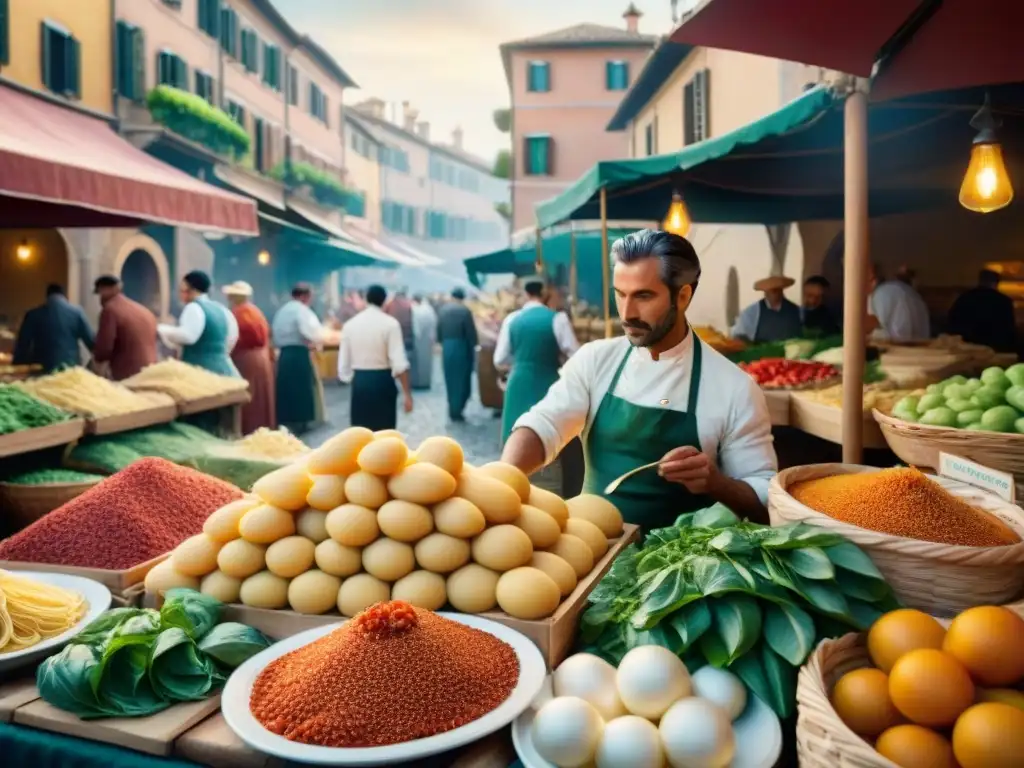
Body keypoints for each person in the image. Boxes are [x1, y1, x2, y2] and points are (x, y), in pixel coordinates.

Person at [501, 229, 777, 529]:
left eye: (643, 296)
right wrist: (500, 480)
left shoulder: (734, 388)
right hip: (594, 553)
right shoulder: (595, 360)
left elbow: (766, 499)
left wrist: (717, 483)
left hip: (680, 566)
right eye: (620, 294)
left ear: (682, 296)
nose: (628, 313)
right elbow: (544, 425)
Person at [495, 279, 579, 442]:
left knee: (516, 434)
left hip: (518, 382)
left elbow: (499, 359)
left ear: (526, 294)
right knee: (547, 435)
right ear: (544, 294)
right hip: (548, 380)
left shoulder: (512, 319)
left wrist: (520, 361)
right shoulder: (558, 318)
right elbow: (574, 354)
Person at [337, 284, 414, 431]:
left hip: (360, 382)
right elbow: (399, 363)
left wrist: (351, 378)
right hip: (383, 381)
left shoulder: (350, 325)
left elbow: (343, 366)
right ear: (384, 301)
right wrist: (407, 395)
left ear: (366, 299)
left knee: (360, 434)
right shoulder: (390, 324)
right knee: (384, 433)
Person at [157, 271, 239, 377]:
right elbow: (232, 337)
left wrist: (161, 329)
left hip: (199, 370)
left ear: (189, 289)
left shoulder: (193, 307)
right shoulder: (221, 309)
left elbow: (188, 336)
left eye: (182, 289)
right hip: (225, 370)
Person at [272, 283, 325, 433]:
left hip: (284, 354)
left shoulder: (282, 310)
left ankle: (285, 418)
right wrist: (316, 340)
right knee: (301, 387)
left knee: (286, 387)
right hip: (298, 353)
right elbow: (309, 332)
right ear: (304, 296)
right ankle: (301, 420)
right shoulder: (302, 311)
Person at [224, 281, 275, 433]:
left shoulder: (239, 313)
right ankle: (262, 428)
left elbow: (234, 339)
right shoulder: (255, 311)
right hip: (261, 359)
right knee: (260, 396)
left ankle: (250, 429)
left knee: (251, 398)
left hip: (247, 360)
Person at [13, 284, 95, 374]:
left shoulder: (33, 314)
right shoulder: (77, 313)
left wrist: (18, 363)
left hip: (42, 369)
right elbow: (91, 342)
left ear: (47, 296)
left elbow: (23, 344)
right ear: (64, 296)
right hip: (70, 369)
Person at [90, 275, 157, 381]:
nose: (101, 298)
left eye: (101, 292)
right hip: (151, 372)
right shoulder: (143, 310)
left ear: (112, 289)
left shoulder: (110, 310)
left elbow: (103, 349)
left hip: (128, 375)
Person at [947, 269, 1017, 353]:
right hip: (995, 347)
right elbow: (1009, 327)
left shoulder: (965, 298)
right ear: (996, 283)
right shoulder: (1003, 301)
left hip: (967, 346)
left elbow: (952, 321)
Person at [437, 288, 479, 422]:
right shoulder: (465, 311)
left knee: (450, 379)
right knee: (462, 379)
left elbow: (438, 331)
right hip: (462, 347)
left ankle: (452, 408)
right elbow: (471, 333)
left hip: (447, 347)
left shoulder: (443, 310)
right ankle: (458, 409)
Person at [867, 263, 931, 342]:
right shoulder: (908, 291)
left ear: (873, 281)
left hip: (899, 350)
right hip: (921, 350)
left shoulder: (882, 294)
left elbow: (874, 329)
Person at [730, 275, 803, 342]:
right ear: (765, 292)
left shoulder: (796, 310)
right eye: (772, 291)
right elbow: (739, 334)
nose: (776, 293)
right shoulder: (752, 312)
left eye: (778, 290)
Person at [410, 294, 438, 390]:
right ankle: (426, 382)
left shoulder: (415, 310)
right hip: (428, 339)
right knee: (427, 362)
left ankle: (417, 383)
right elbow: (434, 324)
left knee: (417, 362)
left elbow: (415, 327)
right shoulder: (429, 309)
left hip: (418, 340)